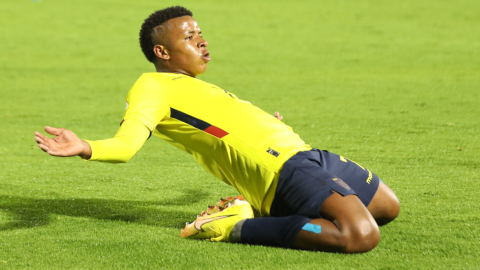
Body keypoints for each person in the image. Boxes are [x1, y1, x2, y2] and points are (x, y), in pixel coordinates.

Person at [34, 6, 399, 253]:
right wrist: (85, 146)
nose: (202, 41)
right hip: (281, 171)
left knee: (387, 207)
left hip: (306, 155)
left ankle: (263, 213)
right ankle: (233, 225)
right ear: (162, 52)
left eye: (200, 33)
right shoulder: (151, 87)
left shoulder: (195, 86)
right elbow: (127, 144)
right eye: (190, 37)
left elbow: (225, 128)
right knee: (361, 234)